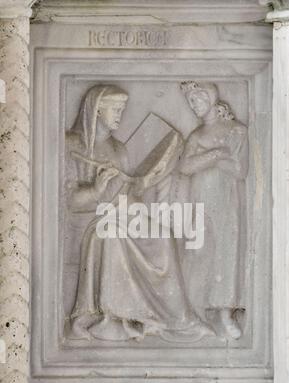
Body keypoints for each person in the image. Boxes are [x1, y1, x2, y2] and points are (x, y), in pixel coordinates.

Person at [66, 84, 214, 342]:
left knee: (161, 235)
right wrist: (97, 190)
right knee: (112, 236)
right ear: (97, 110)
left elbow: (126, 197)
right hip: (91, 220)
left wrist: (136, 186)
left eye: (122, 110)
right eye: (115, 109)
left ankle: (176, 318)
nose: (119, 116)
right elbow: (69, 201)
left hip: (120, 213)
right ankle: (112, 318)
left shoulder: (119, 149)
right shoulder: (72, 144)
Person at [180, 82, 249, 339]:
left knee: (226, 254)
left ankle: (224, 313)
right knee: (199, 252)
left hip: (227, 201)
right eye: (189, 101)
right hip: (200, 200)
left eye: (196, 99)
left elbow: (240, 169)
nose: (193, 104)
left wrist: (214, 158)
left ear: (209, 97)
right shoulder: (197, 136)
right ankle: (195, 309)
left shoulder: (237, 131)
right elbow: (185, 166)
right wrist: (217, 155)